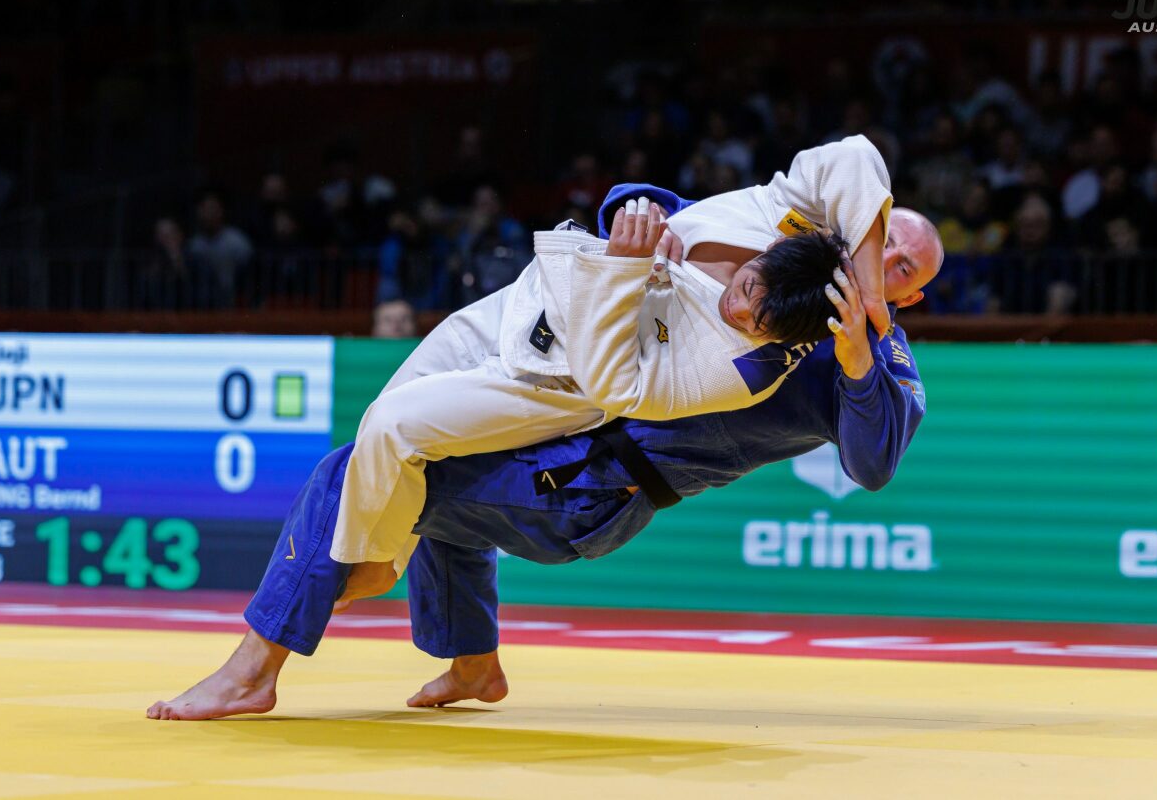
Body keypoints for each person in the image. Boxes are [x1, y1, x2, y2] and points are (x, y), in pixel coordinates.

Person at [146, 207, 943, 720]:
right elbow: (644, 206)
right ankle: (474, 667)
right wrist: (649, 219)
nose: (882, 261)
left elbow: (873, 465)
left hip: (590, 486)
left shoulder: (868, 356)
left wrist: (855, 362)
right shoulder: (778, 248)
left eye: (904, 269)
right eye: (883, 240)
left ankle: (252, 670)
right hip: (560, 431)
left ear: (904, 298)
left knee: (350, 471)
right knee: (435, 485)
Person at [332, 137, 896, 578]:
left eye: (759, 324)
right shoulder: (772, 216)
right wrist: (871, 291)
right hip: (528, 301)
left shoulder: (747, 371)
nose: (740, 311)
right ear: (771, 251)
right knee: (380, 425)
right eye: (749, 288)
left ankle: (362, 567)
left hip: (550, 381)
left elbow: (613, 388)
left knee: (391, 427)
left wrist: (627, 266)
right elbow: (853, 156)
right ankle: (386, 560)